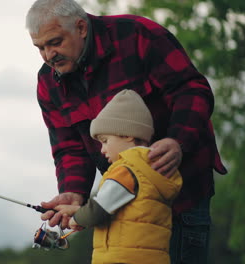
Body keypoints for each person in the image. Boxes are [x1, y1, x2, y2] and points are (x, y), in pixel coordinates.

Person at [25, 0, 227, 263]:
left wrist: (178, 141)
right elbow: (68, 148)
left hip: (184, 192)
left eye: (55, 42)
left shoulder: (138, 36)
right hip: (121, 208)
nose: (48, 55)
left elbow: (191, 90)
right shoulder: (47, 83)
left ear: (81, 27)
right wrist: (73, 191)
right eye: (40, 47)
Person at [55, 89, 183, 263]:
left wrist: (77, 219)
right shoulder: (154, 171)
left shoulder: (126, 170)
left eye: (105, 141)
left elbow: (98, 210)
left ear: (127, 134)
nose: (102, 150)